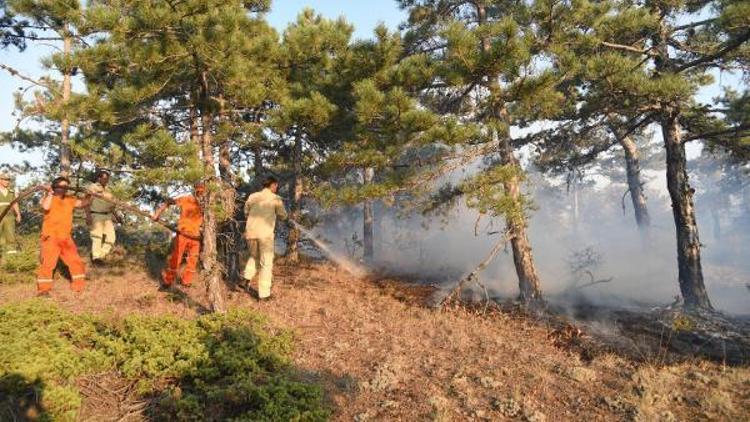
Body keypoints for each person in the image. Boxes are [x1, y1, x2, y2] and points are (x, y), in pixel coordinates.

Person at [37, 176, 91, 295]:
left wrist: (89, 195)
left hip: (65, 237)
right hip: (50, 236)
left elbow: (83, 203)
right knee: (48, 264)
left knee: (75, 261)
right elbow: (45, 206)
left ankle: (78, 286)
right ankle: (44, 290)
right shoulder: (48, 198)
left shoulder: (69, 199)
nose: (63, 189)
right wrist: (50, 193)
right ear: (55, 187)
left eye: (66, 187)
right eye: (61, 186)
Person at [152, 182, 204, 288]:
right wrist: (158, 213)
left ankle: (186, 282)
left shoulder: (206, 206)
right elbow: (169, 201)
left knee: (193, 260)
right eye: (198, 191)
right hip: (183, 234)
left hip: (196, 237)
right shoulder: (186, 199)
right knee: (176, 258)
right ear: (195, 191)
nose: (200, 194)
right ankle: (167, 282)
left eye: (202, 192)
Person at [243, 176, 287, 300]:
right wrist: (285, 217)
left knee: (254, 256)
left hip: (250, 233)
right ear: (272, 185)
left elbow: (246, 212)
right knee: (266, 264)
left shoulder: (253, 196)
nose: (276, 188)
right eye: (276, 186)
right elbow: (283, 215)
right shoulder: (275, 198)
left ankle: (246, 278)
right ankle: (264, 294)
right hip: (265, 235)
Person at [86, 169, 119, 264]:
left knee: (111, 238)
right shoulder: (92, 187)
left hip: (107, 216)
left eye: (107, 178)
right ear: (99, 178)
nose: (106, 180)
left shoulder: (109, 190)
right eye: (104, 178)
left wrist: (116, 216)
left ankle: (101, 255)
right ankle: (96, 258)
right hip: (96, 214)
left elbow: (112, 205)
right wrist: (88, 215)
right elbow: (86, 202)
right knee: (97, 237)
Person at [0, 171, 21, 256]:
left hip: (9, 217)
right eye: (5, 179)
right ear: (0, 180)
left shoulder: (12, 192)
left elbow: (15, 203)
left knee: (10, 235)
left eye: (8, 180)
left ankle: (10, 257)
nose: (7, 181)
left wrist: (18, 214)